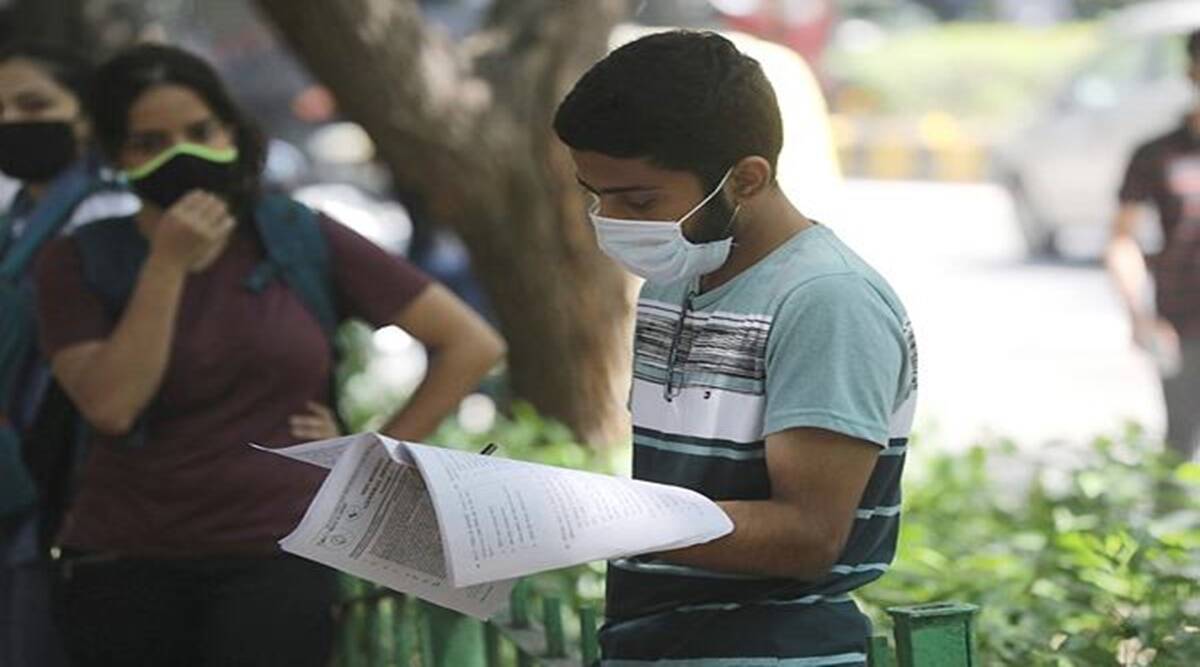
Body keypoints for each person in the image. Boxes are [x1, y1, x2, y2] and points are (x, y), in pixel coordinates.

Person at [34, 44, 505, 667]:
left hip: (277, 559)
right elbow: (112, 406)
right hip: (125, 563)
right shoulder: (78, 260)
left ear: (232, 131)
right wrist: (167, 266)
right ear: (118, 155)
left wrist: (369, 463)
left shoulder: (292, 234)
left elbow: (471, 344)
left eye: (201, 131)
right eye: (151, 142)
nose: (183, 152)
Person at [554, 31, 917, 665]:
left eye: (638, 200)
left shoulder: (826, 301)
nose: (609, 220)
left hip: (771, 650)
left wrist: (582, 520)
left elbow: (806, 537)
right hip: (657, 642)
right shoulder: (673, 279)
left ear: (746, 178)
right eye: (596, 194)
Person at [0, 42, 137, 667]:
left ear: (83, 115)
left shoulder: (106, 213)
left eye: (33, 104)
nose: (12, 121)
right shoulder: (22, 213)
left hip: (71, 477)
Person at [1108, 30, 1200, 464]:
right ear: (1191, 71)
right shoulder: (1157, 155)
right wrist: (1139, 315)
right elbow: (1123, 240)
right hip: (1180, 322)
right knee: (1179, 446)